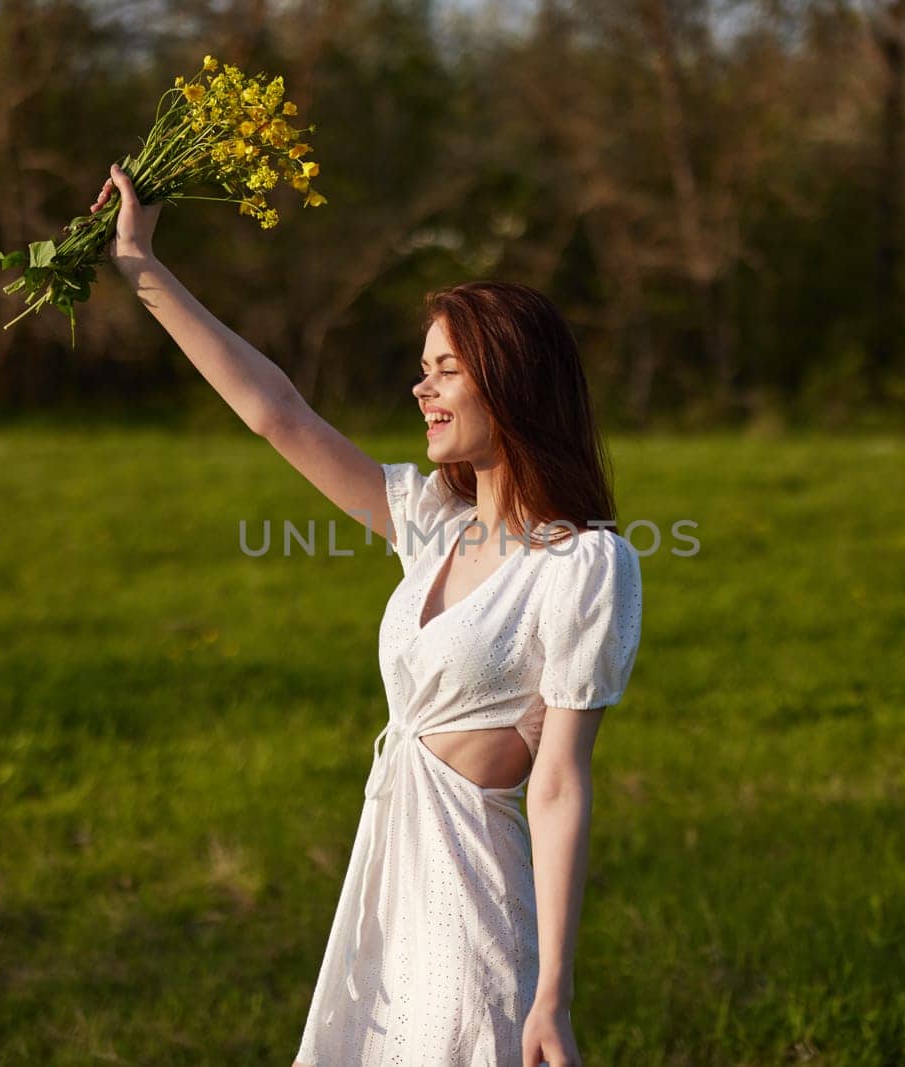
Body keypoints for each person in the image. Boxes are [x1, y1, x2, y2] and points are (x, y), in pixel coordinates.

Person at [89, 164, 643, 1067]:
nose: (421, 391)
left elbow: (560, 784)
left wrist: (554, 994)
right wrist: (140, 264)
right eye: (421, 370)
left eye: (446, 370)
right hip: (387, 887)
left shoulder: (583, 564)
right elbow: (280, 416)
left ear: (510, 383)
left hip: (476, 905)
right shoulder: (433, 524)